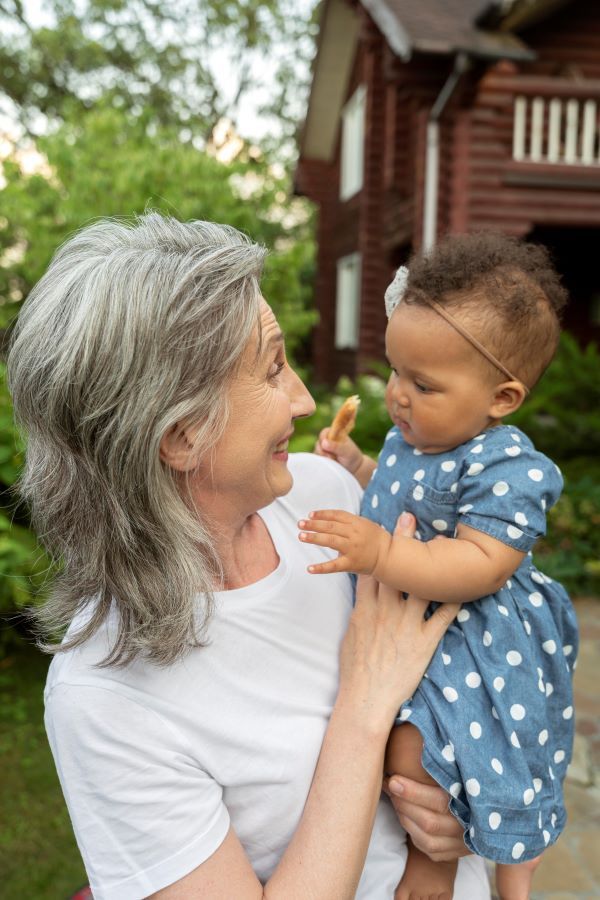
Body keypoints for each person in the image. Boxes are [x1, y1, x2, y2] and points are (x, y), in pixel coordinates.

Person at [7, 213, 491, 900]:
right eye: (271, 370)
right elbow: (383, 688)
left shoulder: (325, 500)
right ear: (180, 436)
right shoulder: (106, 698)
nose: (300, 399)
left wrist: (470, 814)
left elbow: (475, 665)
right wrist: (363, 704)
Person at [305, 233, 579, 900]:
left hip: (477, 635)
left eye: (422, 383)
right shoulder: (415, 435)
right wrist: (359, 467)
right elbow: (408, 496)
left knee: (423, 753)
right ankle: (513, 872)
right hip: (420, 621)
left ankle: (439, 870)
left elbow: (483, 561)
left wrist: (384, 554)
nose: (397, 396)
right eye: (396, 371)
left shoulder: (509, 467)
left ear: (502, 398)